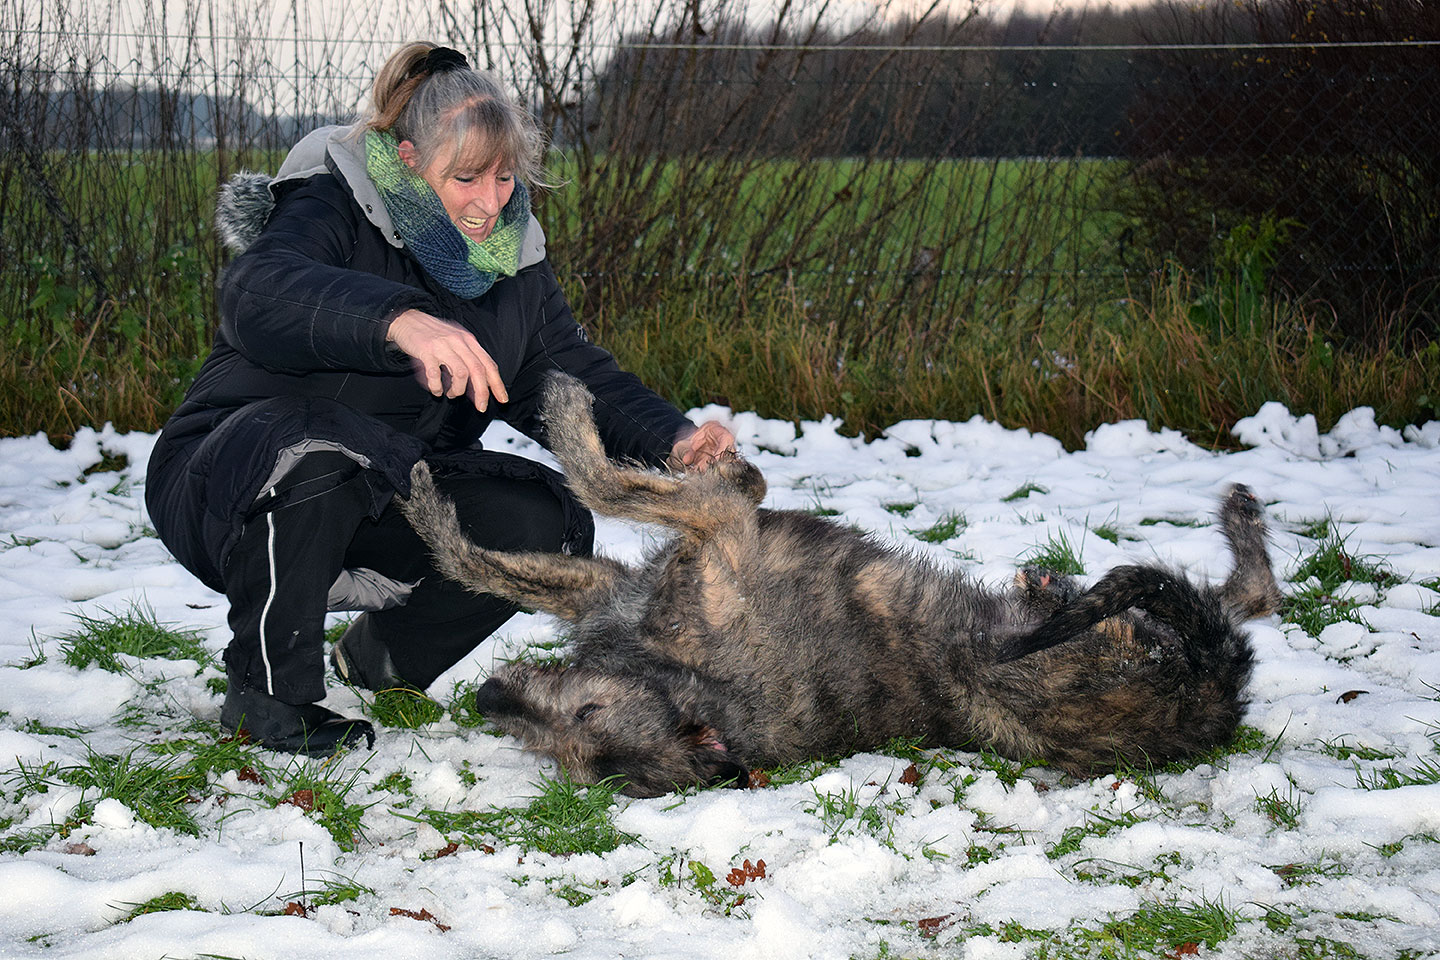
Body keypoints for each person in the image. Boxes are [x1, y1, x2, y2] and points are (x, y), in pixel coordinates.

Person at [145, 41, 735, 757]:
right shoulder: (327, 204)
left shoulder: (508, 261)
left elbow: (565, 373)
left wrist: (673, 440)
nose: (491, 203)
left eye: (505, 176)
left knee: (543, 519)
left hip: (384, 488)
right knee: (316, 447)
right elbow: (257, 294)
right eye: (467, 177)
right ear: (405, 160)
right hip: (228, 485)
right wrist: (396, 320)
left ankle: (380, 664)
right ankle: (267, 698)